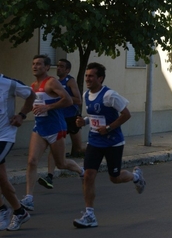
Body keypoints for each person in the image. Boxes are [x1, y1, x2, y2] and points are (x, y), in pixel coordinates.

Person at [73, 62, 146, 228]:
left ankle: (135, 177)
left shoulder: (109, 95)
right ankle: (89, 215)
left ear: (100, 78)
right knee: (88, 175)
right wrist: (83, 121)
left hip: (113, 142)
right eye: (86, 76)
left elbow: (126, 114)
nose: (88, 79)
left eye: (91, 76)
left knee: (115, 178)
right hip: (94, 142)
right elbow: (94, 116)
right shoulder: (86, 96)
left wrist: (108, 128)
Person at [20, 54, 84, 211]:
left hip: (56, 128)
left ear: (47, 67)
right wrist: (20, 116)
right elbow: (30, 104)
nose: (35, 66)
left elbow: (68, 100)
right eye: (33, 64)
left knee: (61, 164)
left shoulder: (52, 82)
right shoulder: (33, 85)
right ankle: (29, 198)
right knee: (32, 161)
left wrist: (47, 107)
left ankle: (82, 171)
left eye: (39, 64)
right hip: (40, 128)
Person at [39, 59, 84, 189]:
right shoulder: (54, 82)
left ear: (67, 70)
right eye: (57, 66)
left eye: (62, 67)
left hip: (72, 118)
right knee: (54, 148)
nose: (58, 68)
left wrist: (63, 98)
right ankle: (49, 176)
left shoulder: (70, 81)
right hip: (59, 119)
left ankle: (100, 151)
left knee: (78, 149)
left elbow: (78, 100)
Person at [0, 74, 35, 231]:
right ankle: (19, 212)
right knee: (1, 178)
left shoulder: (9, 83)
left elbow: (31, 95)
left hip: (4, 135)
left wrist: (21, 115)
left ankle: (2, 210)